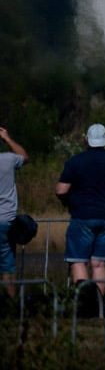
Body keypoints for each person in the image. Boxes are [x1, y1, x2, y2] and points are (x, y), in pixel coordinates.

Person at [56, 123, 105, 297]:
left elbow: (61, 190)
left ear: (87, 140)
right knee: (99, 264)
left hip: (82, 215)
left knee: (78, 262)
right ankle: (98, 305)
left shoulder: (76, 161)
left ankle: (83, 304)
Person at [0, 126, 25, 299]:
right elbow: (24, 156)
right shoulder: (8, 160)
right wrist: (7, 139)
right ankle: (9, 304)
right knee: (7, 266)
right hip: (5, 219)